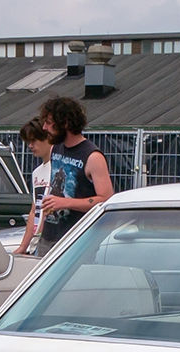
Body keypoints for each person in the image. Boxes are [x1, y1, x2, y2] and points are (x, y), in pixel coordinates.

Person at [37, 95, 113, 252]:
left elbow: (105, 200)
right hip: (49, 236)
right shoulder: (55, 148)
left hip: (76, 241)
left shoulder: (93, 157)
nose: (44, 128)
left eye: (50, 123)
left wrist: (65, 203)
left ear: (65, 123)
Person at [14, 117, 53, 256]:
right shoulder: (37, 172)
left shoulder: (59, 167)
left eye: (34, 140)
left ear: (48, 138)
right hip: (37, 242)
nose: (30, 146)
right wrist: (23, 246)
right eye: (28, 142)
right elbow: (34, 210)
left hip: (52, 239)